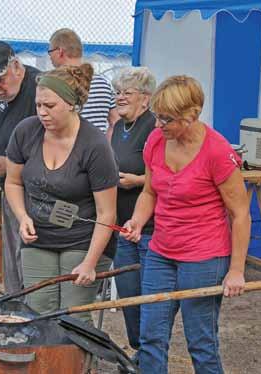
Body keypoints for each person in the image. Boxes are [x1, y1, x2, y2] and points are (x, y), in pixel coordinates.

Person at [121, 75, 251, 373]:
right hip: (161, 251)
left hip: (204, 257)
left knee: (200, 341)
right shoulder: (156, 140)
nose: (157, 125)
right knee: (150, 336)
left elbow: (240, 214)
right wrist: (138, 221)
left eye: (165, 119)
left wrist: (236, 270)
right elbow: (150, 191)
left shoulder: (217, 152)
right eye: (156, 116)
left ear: (191, 116)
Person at [5, 64, 119, 323]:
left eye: (50, 106)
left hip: (83, 240)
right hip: (40, 238)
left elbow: (107, 212)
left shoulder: (95, 145)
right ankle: (45, 362)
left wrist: (90, 262)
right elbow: (13, 182)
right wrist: (22, 216)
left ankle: (78, 363)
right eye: (38, 105)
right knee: (39, 309)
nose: (42, 113)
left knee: (73, 315)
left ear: (71, 104)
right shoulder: (26, 132)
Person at [0, 40, 40, 293]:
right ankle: (14, 307)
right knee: (12, 257)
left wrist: (9, 165)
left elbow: (56, 148)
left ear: (16, 66)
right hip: (11, 187)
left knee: (31, 255)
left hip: (38, 191)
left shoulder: (39, 89)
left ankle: (35, 311)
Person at [110, 67, 156, 355]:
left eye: (128, 92)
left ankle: (150, 353)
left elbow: (164, 174)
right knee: (127, 292)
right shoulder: (117, 128)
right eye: (118, 92)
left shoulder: (154, 128)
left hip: (151, 229)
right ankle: (138, 349)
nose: (120, 97)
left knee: (148, 295)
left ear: (145, 99)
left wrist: (137, 181)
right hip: (121, 226)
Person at [48, 28, 120, 137]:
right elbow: (115, 122)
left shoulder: (57, 84)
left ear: (60, 51)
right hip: (98, 149)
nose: (49, 56)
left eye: (50, 51)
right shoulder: (103, 83)